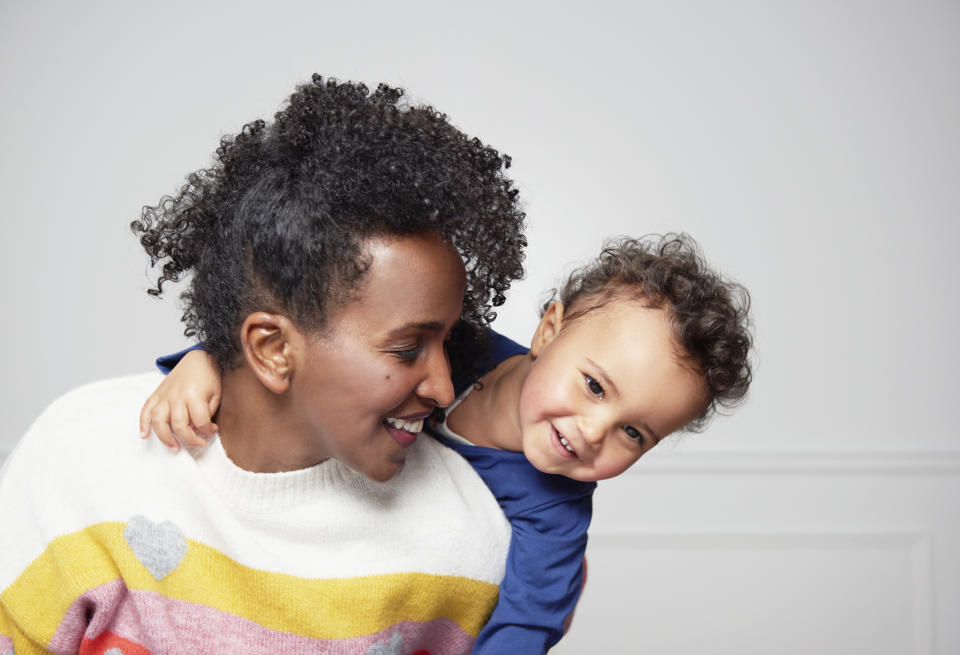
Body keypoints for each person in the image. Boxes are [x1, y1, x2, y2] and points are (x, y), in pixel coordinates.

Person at [0, 75, 527, 654]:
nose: (443, 385)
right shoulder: (80, 459)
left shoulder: (466, 540)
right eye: (407, 350)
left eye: (448, 344)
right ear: (274, 350)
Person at [143, 233, 753, 653]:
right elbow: (316, 354)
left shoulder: (554, 513)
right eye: (594, 385)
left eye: (633, 432)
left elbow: (525, 626)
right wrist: (204, 362)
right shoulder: (454, 346)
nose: (593, 431)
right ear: (548, 330)